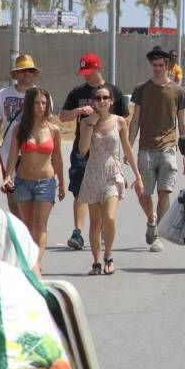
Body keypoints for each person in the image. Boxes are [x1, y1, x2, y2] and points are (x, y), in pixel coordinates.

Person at [60, 53, 129, 251]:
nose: (86, 76)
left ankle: (103, 228)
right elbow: (62, 116)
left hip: (107, 152)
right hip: (83, 147)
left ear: (99, 68)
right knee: (80, 190)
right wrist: (79, 112)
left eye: (89, 72)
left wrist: (124, 149)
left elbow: (124, 120)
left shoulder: (112, 91)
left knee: (108, 191)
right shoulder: (77, 93)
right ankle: (78, 232)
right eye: (83, 72)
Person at [78, 86, 144, 275]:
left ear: (112, 100)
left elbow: (128, 149)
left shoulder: (120, 122)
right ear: (93, 101)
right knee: (95, 223)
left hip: (113, 175)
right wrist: (91, 123)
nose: (102, 101)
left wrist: (137, 176)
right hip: (92, 175)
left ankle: (108, 255)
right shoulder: (86, 122)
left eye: (105, 97)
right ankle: (97, 262)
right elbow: (83, 150)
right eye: (98, 98)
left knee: (109, 217)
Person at [129, 46, 185, 253]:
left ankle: (158, 236)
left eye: (161, 65)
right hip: (145, 148)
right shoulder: (141, 89)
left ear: (167, 66)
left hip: (168, 149)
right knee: (144, 193)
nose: (157, 69)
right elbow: (135, 120)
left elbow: (182, 124)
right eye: (154, 65)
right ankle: (151, 219)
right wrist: (128, 147)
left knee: (164, 192)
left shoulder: (178, 91)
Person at [1, 88, 65, 273]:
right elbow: (13, 154)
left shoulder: (53, 130)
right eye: (37, 103)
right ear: (30, 105)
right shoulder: (19, 129)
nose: (41, 106)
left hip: (46, 182)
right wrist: (7, 176)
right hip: (23, 181)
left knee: (40, 224)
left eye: (44, 103)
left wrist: (61, 182)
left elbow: (58, 159)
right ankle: (29, 260)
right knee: (27, 225)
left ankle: (36, 264)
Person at [0, 55, 42, 217]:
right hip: (8, 152)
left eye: (30, 70)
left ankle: (31, 230)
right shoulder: (3, 94)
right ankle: (20, 227)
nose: (26, 74)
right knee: (12, 194)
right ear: (16, 74)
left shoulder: (41, 97)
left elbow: (46, 127)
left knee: (34, 195)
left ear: (34, 74)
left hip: (33, 152)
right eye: (22, 70)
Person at [0, 206, 40, 276]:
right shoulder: (11, 224)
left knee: (39, 225)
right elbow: (36, 281)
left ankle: (38, 261)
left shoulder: (10, 225)